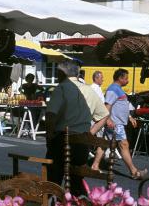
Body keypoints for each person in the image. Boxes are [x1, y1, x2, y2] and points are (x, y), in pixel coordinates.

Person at [45, 60, 104, 192]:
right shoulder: (89, 90)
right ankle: (75, 203)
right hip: (82, 143)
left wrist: (49, 137)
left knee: (53, 181)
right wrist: (90, 133)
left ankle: (53, 202)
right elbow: (104, 115)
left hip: (62, 141)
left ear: (62, 73)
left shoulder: (61, 88)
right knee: (76, 182)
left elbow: (50, 115)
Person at [102, 69, 147, 179]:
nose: (127, 81)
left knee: (103, 144)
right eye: (126, 78)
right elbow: (107, 106)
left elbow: (122, 106)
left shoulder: (118, 89)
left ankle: (94, 165)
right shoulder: (113, 89)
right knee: (124, 145)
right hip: (115, 123)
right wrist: (108, 119)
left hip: (117, 122)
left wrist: (130, 117)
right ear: (120, 78)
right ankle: (134, 172)